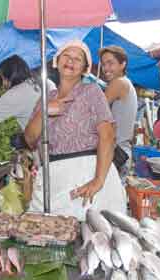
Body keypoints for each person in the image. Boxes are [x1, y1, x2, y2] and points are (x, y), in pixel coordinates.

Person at [24, 40, 126, 221]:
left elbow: (108, 135)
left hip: (86, 173)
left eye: (77, 59)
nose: (70, 61)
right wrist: (44, 112)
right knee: (44, 232)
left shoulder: (91, 92)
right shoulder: (46, 99)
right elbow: (30, 138)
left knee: (87, 235)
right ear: (56, 61)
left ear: (85, 68)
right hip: (53, 175)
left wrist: (98, 180)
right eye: (66, 56)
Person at [0, 55, 56, 130]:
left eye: (3, 78)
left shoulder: (16, 93)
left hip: (41, 143)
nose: (3, 83)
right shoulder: (47, 82)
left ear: (10, 76)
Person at [99, 45, 138, 178]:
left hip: (117, 152)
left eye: (110, 63)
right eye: (104, 64)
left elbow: (95, 111)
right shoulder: (127, 83)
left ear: (122, 64)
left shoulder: (118, 83)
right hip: (123, 151)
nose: (106, 68)